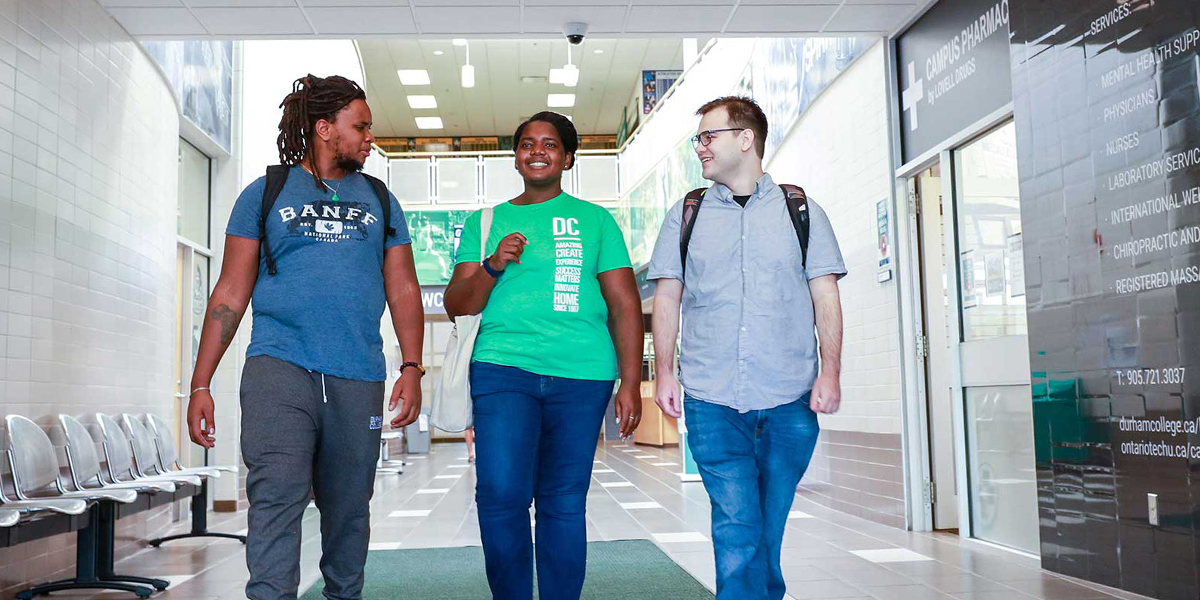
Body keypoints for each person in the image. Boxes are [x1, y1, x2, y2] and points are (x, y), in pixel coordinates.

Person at [186, 74, 425, 600]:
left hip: (356, 372)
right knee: (275, 496)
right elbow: (229, 292)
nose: (369, 138)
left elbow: (403, 288)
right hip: (279, 367)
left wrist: (412, 367)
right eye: (359, 127)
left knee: (347, 508)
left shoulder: (381, 201)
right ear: (324, 128)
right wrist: (200, 384)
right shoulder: (265, 193)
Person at [647, 96, 846, 600]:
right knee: (737, 525)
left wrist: (831, 372)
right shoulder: (686, 214)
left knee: (765, 528)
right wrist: (665, 372)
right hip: (713, 400)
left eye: (707, 136)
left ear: (745, 138)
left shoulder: (801, 211)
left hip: (790, 400)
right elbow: (667, 296)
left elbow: (826, 295)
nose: (700, 148)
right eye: (699, 139)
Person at [443, 111, 643, 600]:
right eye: (527, 143)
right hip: (502, 368)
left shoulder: (596, 221)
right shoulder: (485, 221)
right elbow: (456, 304)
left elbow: (624, 303)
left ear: (567, 158)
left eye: (549, 144)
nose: (537, 151)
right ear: (515, 157)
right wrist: (492, 264)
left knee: (562, 501)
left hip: (582, 374)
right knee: (501, 494)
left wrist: (631, 382)